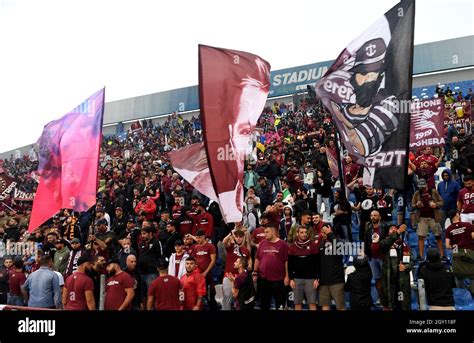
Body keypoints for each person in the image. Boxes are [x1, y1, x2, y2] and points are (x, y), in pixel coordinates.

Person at [253, 225, 289, 310]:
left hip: (279, 279)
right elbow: (257, 258)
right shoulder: (262, 243)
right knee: (264, 305)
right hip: (263, 279)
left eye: (267, 232)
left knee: (280, 306)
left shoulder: (283, 244)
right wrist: (255, 272)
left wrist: (287, 276)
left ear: (273, 232)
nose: (265, 234)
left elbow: (287, 261)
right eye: (264, 232)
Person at [379, 224, 413, 310]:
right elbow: (385, 244)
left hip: (402, 280)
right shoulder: (385, 243)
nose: (394, 230)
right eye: (391, 229)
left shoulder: (405, 245)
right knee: (391, 304)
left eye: (396, 228)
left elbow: (412, 261)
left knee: (403, 305)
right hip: (390, 280)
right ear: (388, 232)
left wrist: (405, 267)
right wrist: (397, 232)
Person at [288, 226, 320, 311]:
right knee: (297, 303)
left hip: (311, 279)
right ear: (297, 234)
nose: (304, 234)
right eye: (301, 232)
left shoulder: (313, 245)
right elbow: (290, 265)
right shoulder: (292, 247)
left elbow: (317, 263)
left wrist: (317, 278)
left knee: (312, 303)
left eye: (305, 232)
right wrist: (291, 279)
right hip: (297, 279)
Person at [412, 178, 444, 261]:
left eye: (423, 186)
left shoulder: (433, 192)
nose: (422, 188)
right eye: (420, 186)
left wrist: (435, 204)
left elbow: (442, 202)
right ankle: (421, 256)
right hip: (422, 218)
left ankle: (442, 255)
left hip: (434, 217)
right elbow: (412, 205)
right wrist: (417, 205)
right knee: (421, 237)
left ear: (426, 184)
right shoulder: (417, 193)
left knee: (438, 236)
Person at [445, 210, 474, 296]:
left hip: (457, 253)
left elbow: (447, 245)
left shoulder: (449, 229)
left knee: (458, 275)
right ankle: (473, 293)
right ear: (457, 215)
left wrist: (455, 246)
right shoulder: (468, 225)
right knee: (472, 275)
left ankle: (461, 294)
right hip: (470, 252)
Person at [222, 230, 251, 310]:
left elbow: (249, 258)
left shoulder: (246, 250)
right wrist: (230, 234)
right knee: (227, 299)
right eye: (237, 237)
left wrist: (250, 265)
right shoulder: (231, 246)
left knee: (240, 300)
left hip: (240, 278)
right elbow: (224, 242)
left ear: (243, 238)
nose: (238, 239)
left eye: (240, 237)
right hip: (228, 276)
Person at [319, 224, 345, 310]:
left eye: (326, 232)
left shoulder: (339, 241)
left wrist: (330, 234)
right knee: (325, 306)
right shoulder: (321, 244)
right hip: (323, 282)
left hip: (336, 281)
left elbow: (339, 248)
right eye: (323, 232)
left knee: (340, 307)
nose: (324, 234)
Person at [189, 229, 217, 310]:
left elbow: (213, 261)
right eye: (196, 238)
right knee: (198, 297)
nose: (198, 240)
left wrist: (205, 272)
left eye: (199, 238)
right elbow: (194, 260)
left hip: (208, 276)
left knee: (210, 298)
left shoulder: (210, 246)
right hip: (198, 276)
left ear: (204, 236)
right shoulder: (196, 247)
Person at [138, 226, 163, 298]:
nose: (142, 236)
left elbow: (161, 255)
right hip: (142, 272)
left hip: (152, 273)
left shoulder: (156, 242)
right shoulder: (141, 243)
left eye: (144, 234)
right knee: (143, 294)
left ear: (150, 233)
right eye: (142, 234)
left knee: (152, 294)